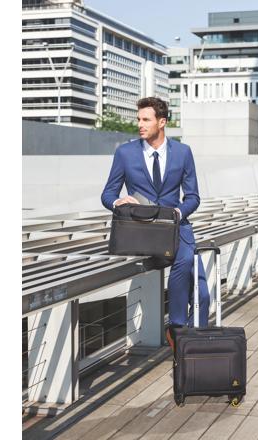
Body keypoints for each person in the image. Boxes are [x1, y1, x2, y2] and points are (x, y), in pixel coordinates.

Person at [101, 97, 210, 350]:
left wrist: (177, 213)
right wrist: (118, 201)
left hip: (176, 227)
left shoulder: (183, 152)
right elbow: (107, 194)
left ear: (162, 122)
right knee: (185, 262)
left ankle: (180, 332)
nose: (139, 124)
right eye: (138, 119)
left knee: (203, 294)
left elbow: (193, 197)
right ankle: (180, 332)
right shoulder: (125, 153)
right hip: (143, 231)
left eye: (145, 119)